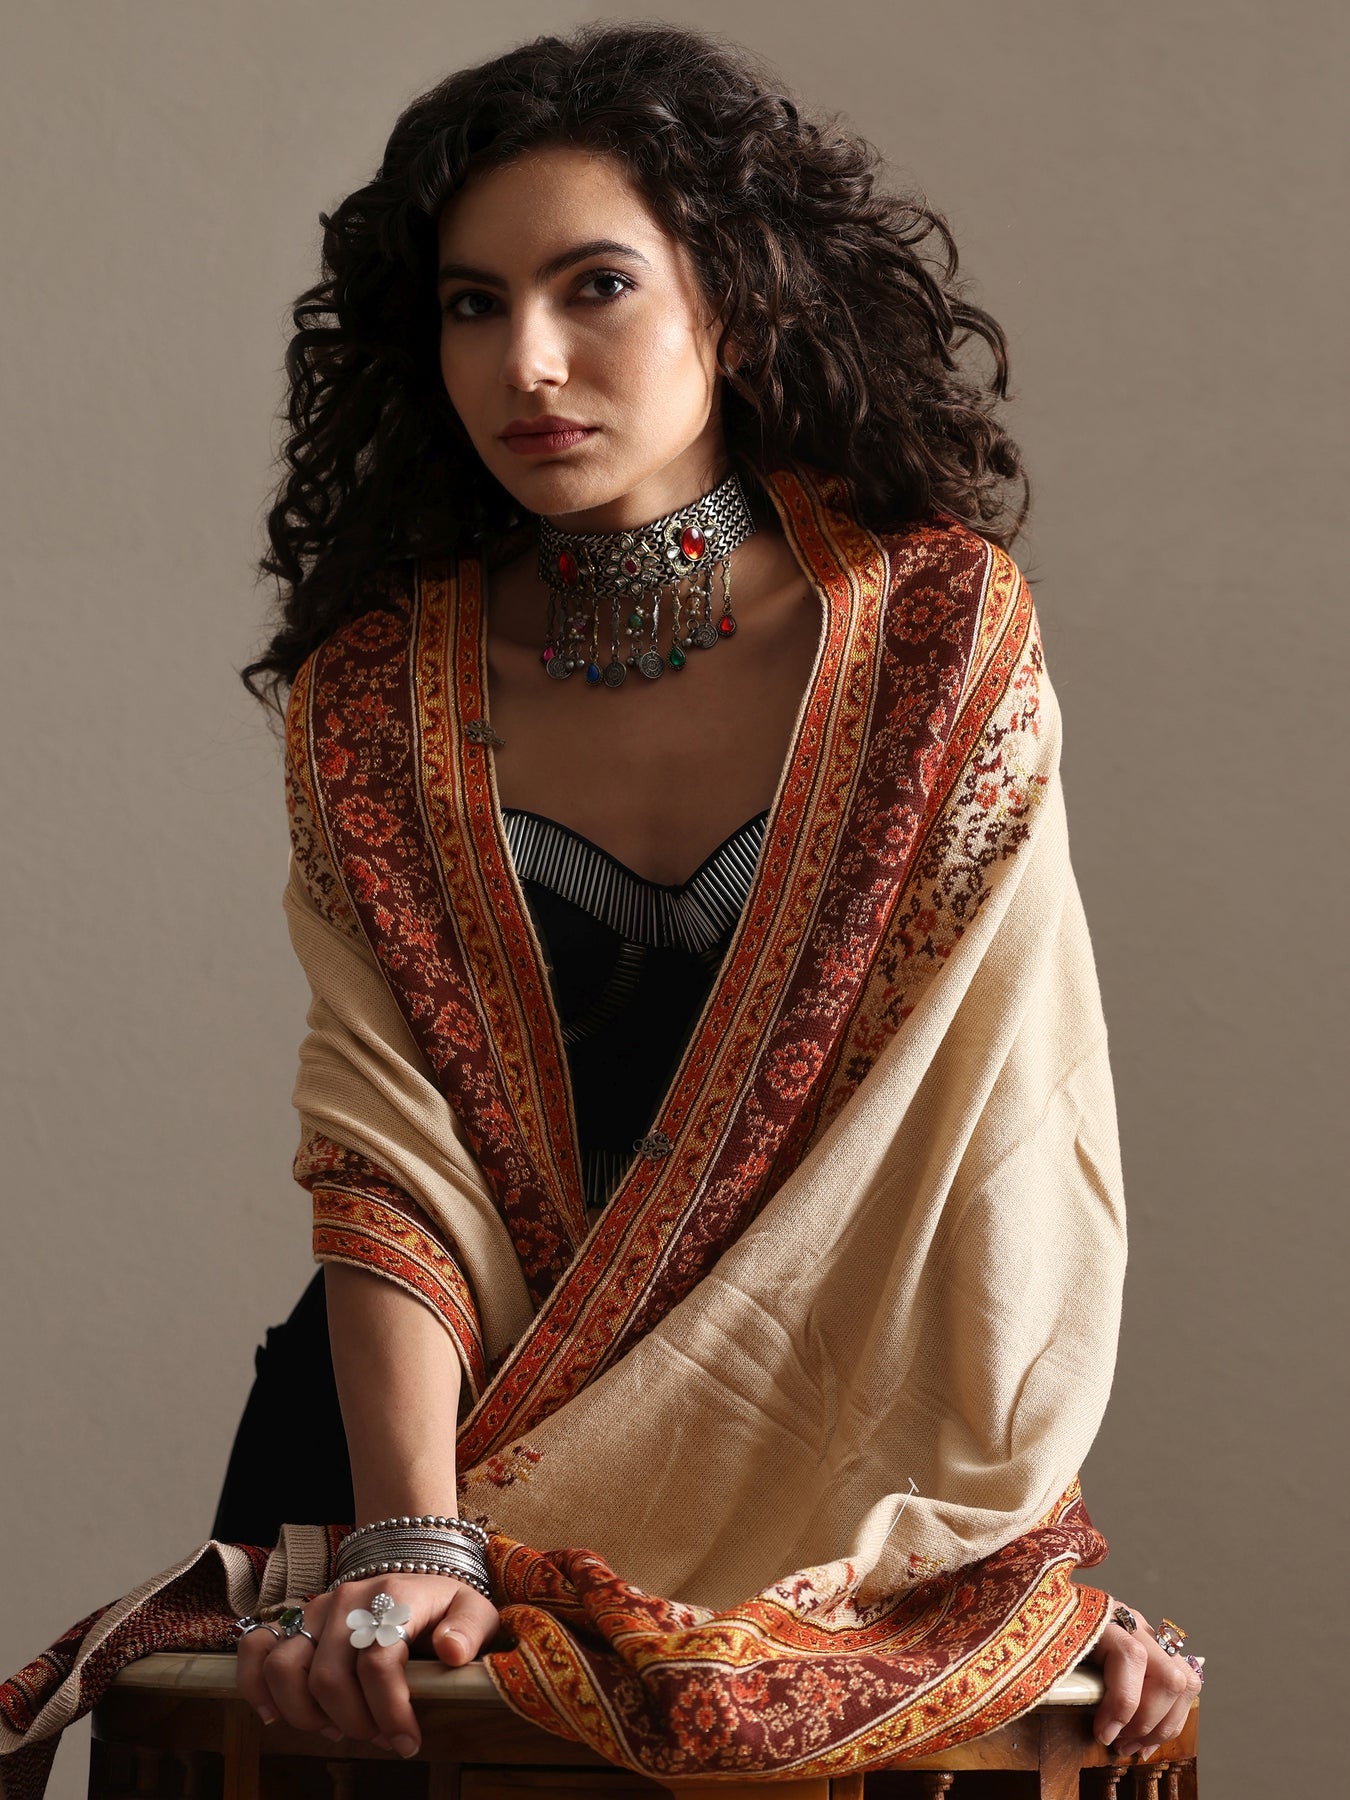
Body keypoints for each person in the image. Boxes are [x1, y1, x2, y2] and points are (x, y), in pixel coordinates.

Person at [0, 20, 1202, 1793]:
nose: (528, 361)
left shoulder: (935, 641)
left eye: (595, 286)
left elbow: (988, 1156)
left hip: (832, 1493)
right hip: (407, 1468)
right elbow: (386, 1155)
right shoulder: (373, 695)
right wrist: (409, 1542)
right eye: (472, 304)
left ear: (740, 302)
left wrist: (992, 1569)